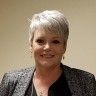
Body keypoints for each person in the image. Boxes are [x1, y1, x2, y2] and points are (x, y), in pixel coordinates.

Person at [0, 10, 96, 96]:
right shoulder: (11, 81)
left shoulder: (85, 81)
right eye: (40, 41)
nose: (47, 47)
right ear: (31, 45)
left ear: (64, 46)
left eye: (55, 41)